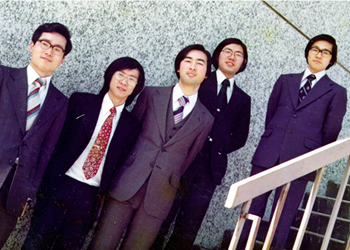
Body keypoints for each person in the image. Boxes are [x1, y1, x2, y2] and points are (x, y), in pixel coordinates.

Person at [88, 44, 215, 250]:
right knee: (102, 244)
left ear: (207, 74)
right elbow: (129, 134)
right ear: (178, 67)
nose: (193, 66)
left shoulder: (206, 118)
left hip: (160, 195)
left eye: (200, 63)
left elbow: (188, 159)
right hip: (126, 183)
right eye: (188, 61)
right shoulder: (150, 94)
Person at [22, 57, 145, 250]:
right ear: (109, 76)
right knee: (35, 244)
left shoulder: (131, 124)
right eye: (120, 74)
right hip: (60, 184)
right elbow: (57, 142)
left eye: (132, 78)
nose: (124, 81)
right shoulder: (80, 101)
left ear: (136, 88)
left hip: (89, 196)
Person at [238, 34, 347, 250]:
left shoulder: (337, 92)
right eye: (315, 49)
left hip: (300, 162)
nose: (319, 54)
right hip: (268, 154)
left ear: (332, 60)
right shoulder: (285, 80)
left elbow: (330, 132)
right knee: (251, 210)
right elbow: (272, 115)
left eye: (326, 52)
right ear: (307, 52)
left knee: (282, 220)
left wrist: (311, 159)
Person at [153, 38, 251, 250]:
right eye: (227, 51)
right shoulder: (198, 80)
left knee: (188, 228)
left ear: (243, 62)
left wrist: (216, 147)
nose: (232, 57)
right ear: (217, 56)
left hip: (209, 172)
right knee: (161, 219)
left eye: (238, 54)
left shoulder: (243, 99)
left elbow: (240, 138)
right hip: (181, 162)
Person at [0, 22, 72, 247]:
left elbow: (46, 151)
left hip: (14, 194)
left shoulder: (60, 102)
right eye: (44, 43)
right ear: (32, 45)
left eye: (57, 49)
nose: (50, 51)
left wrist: (28, 193)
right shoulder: (3, 76)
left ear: (63, 59)